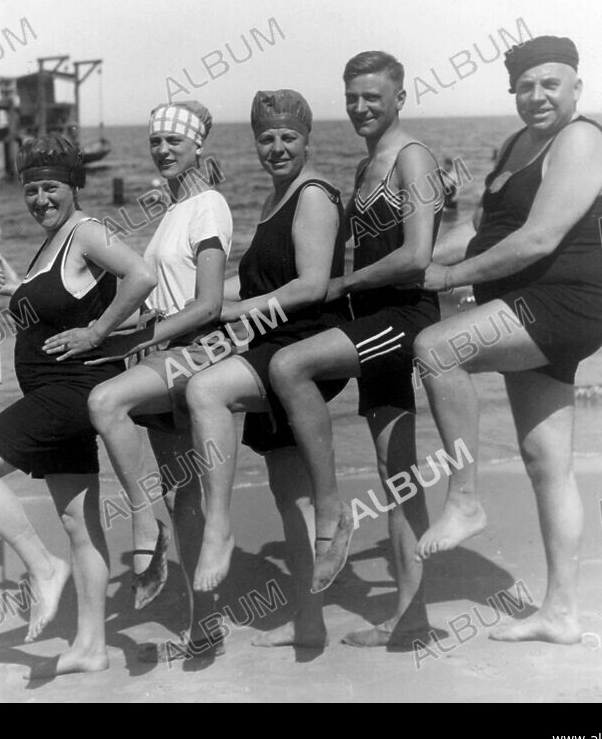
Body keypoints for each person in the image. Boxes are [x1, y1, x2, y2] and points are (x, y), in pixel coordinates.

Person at [413, 36, 602, 644]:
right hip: (524, 302)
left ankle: (466, 499)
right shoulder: (513, 145)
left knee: (436, 348)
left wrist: (449, 279)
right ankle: (561, 614)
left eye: (550, 83)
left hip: (567, 301)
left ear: (576, 88)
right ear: (512, 90)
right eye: (526, 85)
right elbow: (484, 232)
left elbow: (536, 240)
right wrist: (419, 260)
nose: (537, 95)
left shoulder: (580, 139)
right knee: (547, 464)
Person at [0, 135, 156, 675]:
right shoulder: (53, 244)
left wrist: (98, 331)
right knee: (80, 524)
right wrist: (19, 287)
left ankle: (43, 566)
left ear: (74, 187)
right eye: (32, 189)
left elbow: (142, 276)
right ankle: (90, 647)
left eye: (51, 187)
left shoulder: (85, 231)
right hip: (56, 393)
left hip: (71, 392)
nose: (40, 198)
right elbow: (63, 304)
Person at [267, 52, 447, 648]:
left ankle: (331, 511)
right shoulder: (368, 163)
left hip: (400, 317)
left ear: (400, 97)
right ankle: (411, 618)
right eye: (352, 98)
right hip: (373, 319)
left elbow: (416, 255)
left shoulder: (411, 156)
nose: (361, 107)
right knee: (396, 472)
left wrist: (339, 285)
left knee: (290, 365)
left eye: (373, 96)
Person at [185, 89, 348, 621]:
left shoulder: (314, 195)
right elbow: (258, 280)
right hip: (272, 344)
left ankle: (218, 528)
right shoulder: (273, 198)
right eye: (266, 138)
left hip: (306, 344)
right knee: (288, 492)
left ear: (307, 140)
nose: (276, 147)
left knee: (206, 389)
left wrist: (233, 313)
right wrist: (201, 303)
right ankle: (307, 621)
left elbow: (312, 287)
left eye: (288, 137)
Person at [79, 101, 234, 656]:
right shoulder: (174, 209)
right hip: (164, 350)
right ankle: (203, 621)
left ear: (197, 147)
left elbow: (210, 303)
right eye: (157, 142)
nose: (164, 150)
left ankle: (146, 531)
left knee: (104, 403)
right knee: (182, 493)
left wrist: (144, 337)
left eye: (174, 142)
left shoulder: (208, 206)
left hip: (190, 353)